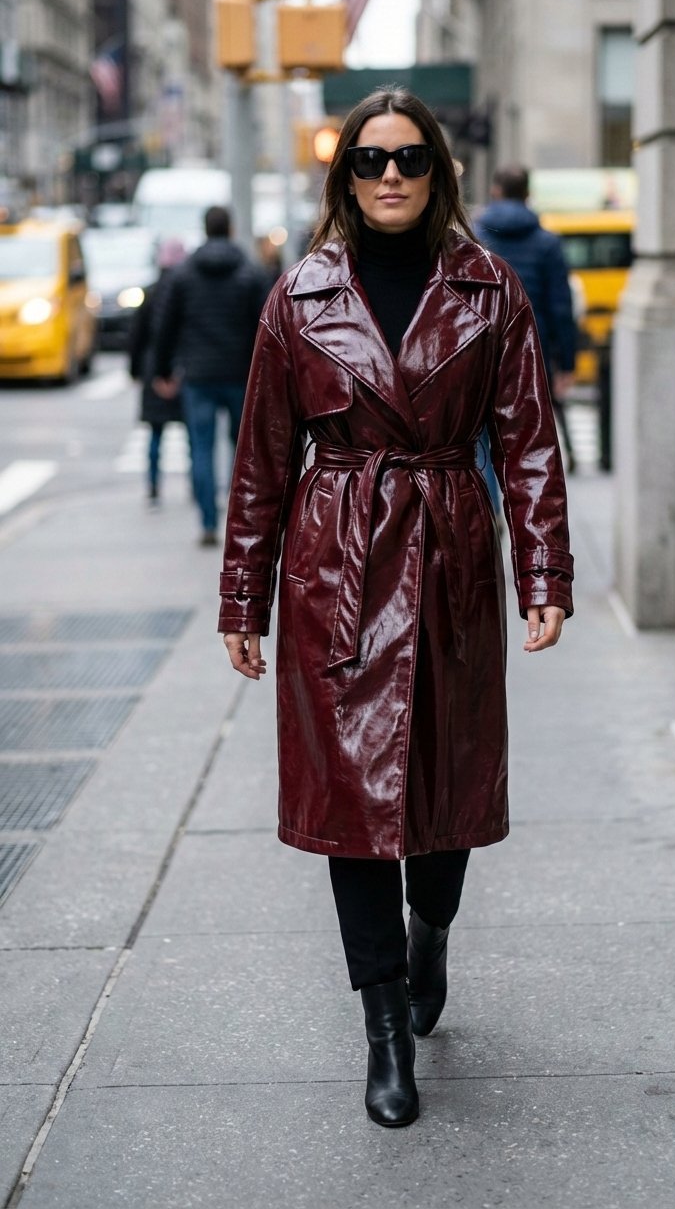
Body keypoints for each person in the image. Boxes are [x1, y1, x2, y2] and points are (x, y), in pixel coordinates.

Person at [218, 88, 573, 1128]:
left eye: (410, 158)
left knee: (445, 775)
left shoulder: (489, 287)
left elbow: (531, 443)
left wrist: (543, 574)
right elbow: (260, 462)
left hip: (452, 547)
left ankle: (433, 930)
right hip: (336, 559)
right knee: (354, 804)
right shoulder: (299, 294)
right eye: (370, 160)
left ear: (438, 170)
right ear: (345, 175)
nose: (389, 176)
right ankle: (383, 1023)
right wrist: (245, 593)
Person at [153, 206, 270, 545]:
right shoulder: (250, 272)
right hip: (240, 375)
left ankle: (207, 521)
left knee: (201, 449)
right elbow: (266, 326)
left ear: (204, 229)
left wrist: (162, 370)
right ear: (230, 228)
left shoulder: (184, 274)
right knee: (243, 452)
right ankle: (242, 523)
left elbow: (166, 325)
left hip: (199, 375)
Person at [475, 166, 578, 471]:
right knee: (525, 433)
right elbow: (561, 306)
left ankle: (489, 508)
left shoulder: (475, 237)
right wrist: (567, 363)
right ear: (527, 195)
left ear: (496, 191)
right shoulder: (547, 243)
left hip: (479, 342)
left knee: (478, 432)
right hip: (533, 346)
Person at [127, 238, 187, 504]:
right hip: (184, 367)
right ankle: (197, 488)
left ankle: (153, 486)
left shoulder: (150, 292)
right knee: (194, 435)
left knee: (155, 432)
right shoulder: (187, 289)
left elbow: (137, 336)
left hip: (154, 369)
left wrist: (136, 370)